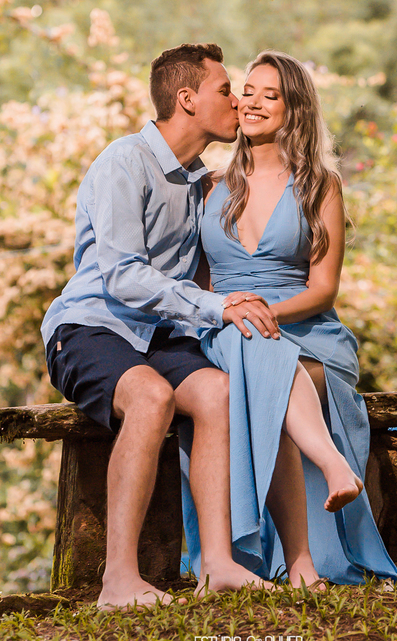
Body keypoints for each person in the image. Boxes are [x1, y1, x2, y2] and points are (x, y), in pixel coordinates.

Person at [41, 43, 280, 609]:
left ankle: (217, 564)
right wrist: (214, 308)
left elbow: (202, 274)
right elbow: (122, 277)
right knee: (151, 398)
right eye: (226, 90)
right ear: (187, 98)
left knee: (216, 391)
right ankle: (117, 581)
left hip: (157, 334)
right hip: (90, 325)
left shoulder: (200, 183)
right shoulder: (124, 162)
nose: (238, 99)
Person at [180, 50, 397, 588]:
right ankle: (326, 482)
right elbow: (199, 282)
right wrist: (231, 313)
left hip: (306, 329)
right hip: (226, 329)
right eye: (249, 90)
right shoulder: (209, 186)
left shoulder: (320, 185)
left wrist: (260, 312)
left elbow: (324, 287)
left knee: (261, 351)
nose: (255, 102)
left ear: (295, 109)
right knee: (252, 348)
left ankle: (299, 557)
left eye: (272, 94)